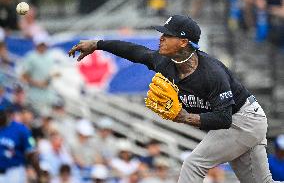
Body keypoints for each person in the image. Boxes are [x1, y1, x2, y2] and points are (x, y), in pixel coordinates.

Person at [68, 14, 281, 183]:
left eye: (167, 35)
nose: (161, 37)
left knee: (194, 164)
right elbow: (135, 51)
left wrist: (184, 117)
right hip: (239, 122)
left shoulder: (211, 73)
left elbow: (224, 119)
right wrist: (98, 44)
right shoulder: (164, 62)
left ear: (183, 42)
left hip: (243, 121)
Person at [0, 108, 41, 183]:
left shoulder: (21, 129)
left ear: (8, 114)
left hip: (14, 172)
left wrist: (38, 172)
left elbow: (31, 152)